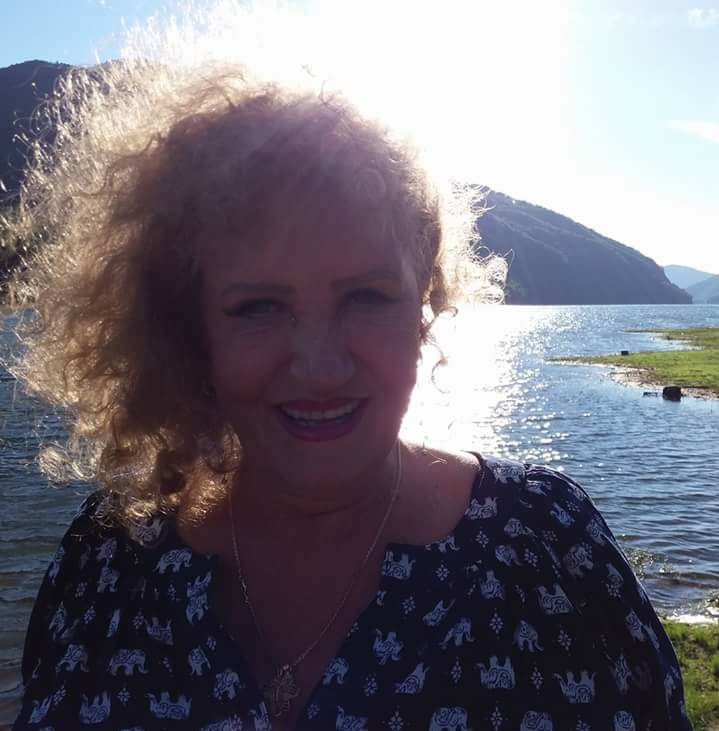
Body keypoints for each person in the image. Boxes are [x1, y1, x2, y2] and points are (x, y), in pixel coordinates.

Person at [6, 54, 691, 731]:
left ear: (423, 304)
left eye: (366, 296)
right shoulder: (109, 558)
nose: (320, 367)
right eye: (258, 306)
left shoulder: (549, 548)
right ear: (190, 328)